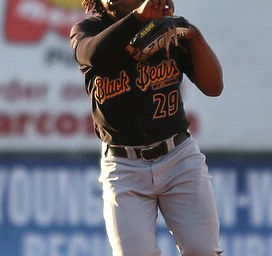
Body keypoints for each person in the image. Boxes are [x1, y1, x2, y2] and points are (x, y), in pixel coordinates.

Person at [70, 0, 224, 255]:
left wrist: (192, 34)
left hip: (178, 158)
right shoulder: (89, 29)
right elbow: (93, 53)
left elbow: (214, 87)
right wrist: (138, 19)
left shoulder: (167, 28)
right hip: (124, 167)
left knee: (203, 250)